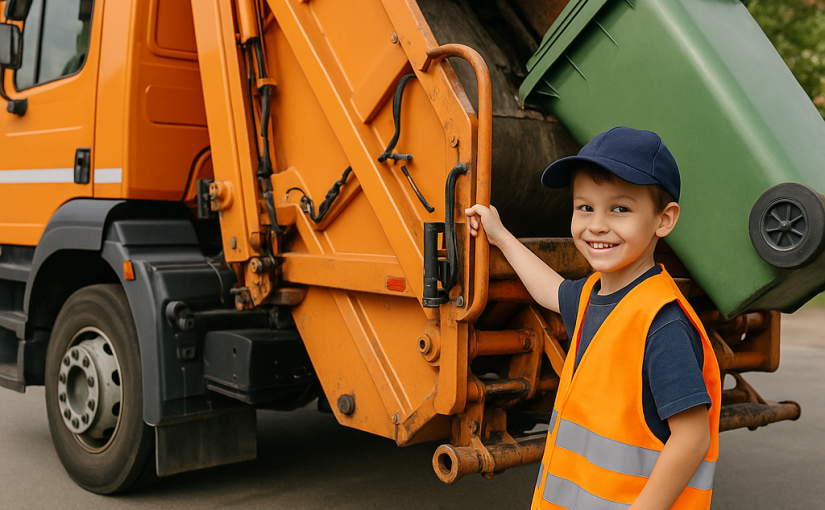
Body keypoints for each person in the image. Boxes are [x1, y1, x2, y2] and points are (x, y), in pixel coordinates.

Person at [465, 127, 722, 510]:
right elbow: (550, 289)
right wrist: (501, 236)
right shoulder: (592, 295)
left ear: (663, 220)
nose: (597, 224)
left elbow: (692, 438)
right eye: (584, 207)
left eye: (619, 208)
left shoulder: (662, 323)